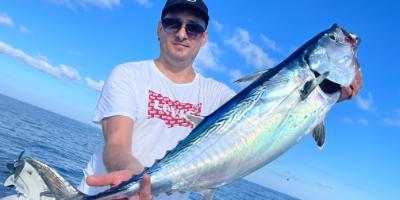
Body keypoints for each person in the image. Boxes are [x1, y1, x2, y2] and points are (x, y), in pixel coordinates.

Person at [78, 0, 363, 200]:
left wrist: (330, 96)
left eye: (193, 28)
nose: (181, 33)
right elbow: (115, 143)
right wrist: (133, 180)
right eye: (173, 23)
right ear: (158, 29)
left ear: (204, 38)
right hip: (106, 194)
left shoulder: (216, 95)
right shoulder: (129, 74)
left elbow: (266, 119)